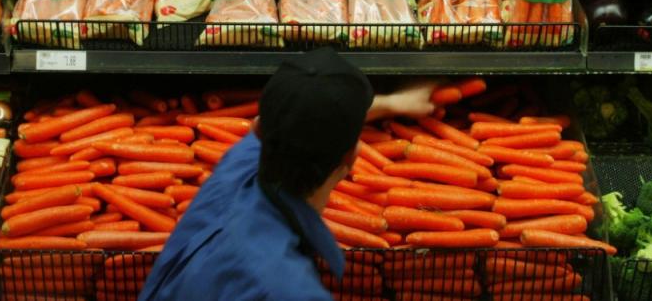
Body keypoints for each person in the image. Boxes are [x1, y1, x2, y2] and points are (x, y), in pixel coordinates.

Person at [138, 47, 436, 301]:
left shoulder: (234, 170)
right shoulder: (288, 290)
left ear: (257, 129)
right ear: (353, 157)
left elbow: (289, 122)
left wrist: (392, 104)